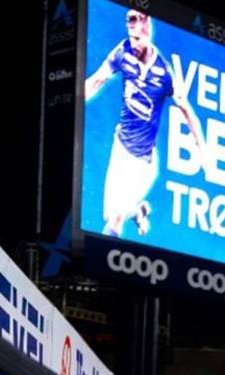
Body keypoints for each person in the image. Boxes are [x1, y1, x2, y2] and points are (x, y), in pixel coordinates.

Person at [85, 9, 205, 238]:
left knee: (116, 219)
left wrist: (202, 148)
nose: (133, 27)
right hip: (120, 148)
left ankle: (99, 254)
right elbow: (97, 80)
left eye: (138, 20)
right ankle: (139, 211)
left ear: (147, 26)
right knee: (110, 215)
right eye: (129, 20)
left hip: (142, 161)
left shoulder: (164, 73)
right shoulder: (122, 52)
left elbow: (186, 109)